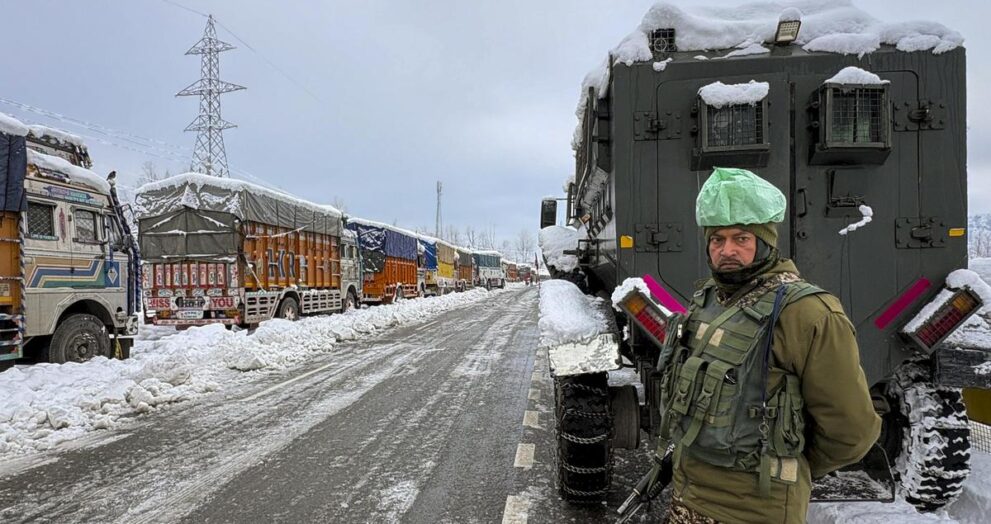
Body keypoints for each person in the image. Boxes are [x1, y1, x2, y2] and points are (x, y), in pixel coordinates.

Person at [656, 167, 881, 523]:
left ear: (765, 242)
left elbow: (851, 431)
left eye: (742, 238)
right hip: (689, 498)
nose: (727, 250)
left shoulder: (807, 313)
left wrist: (789, 462)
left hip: (758, 509)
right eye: (718, 240)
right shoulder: (709, 302)